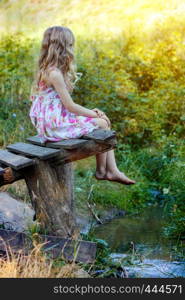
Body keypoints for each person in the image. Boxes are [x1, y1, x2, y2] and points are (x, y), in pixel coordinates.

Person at [29, 26, 136, 185]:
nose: (72, 49)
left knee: (103, 123)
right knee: (102, 123)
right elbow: (70, 106)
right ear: (63, 47)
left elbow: (63, 106)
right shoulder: (54, 74)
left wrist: (91, 112)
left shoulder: (47, 69)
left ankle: (107, 171)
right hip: (54, 128)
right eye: (71, 45)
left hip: (54, 122)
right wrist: (95, 115)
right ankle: (106, 171)